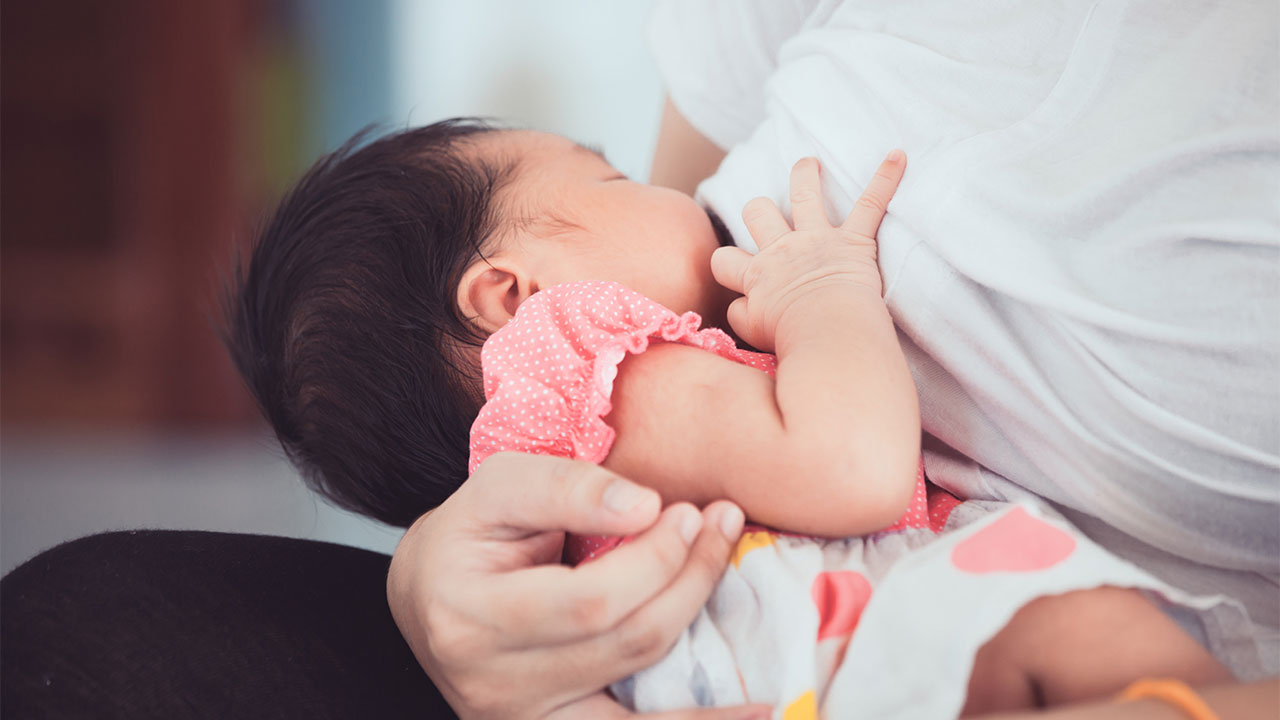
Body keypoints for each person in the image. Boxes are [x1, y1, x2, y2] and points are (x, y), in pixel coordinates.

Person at [389, 0, 1278, 717]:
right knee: (1075, 633)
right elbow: (849, 467)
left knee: (1089, 637)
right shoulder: (569, 357)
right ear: (512, 295)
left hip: (887, 623)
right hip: (865, 633)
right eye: (611, 179)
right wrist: (825, 300)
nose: (664, 188)